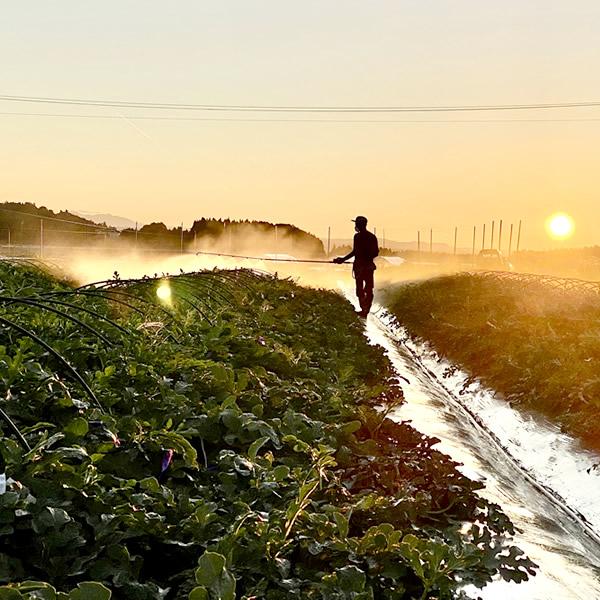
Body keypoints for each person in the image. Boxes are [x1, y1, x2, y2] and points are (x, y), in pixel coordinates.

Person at [333, 216, 379, 317]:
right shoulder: (372, 237)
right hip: (369, 267)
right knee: (369, 289)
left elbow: (354, 252)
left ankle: (364, 309)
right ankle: (366, 310)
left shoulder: (357, 237)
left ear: (358, 225)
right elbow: (376, 253)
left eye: (356, 224)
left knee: (360, 289)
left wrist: (342, 260)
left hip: (359, 267)